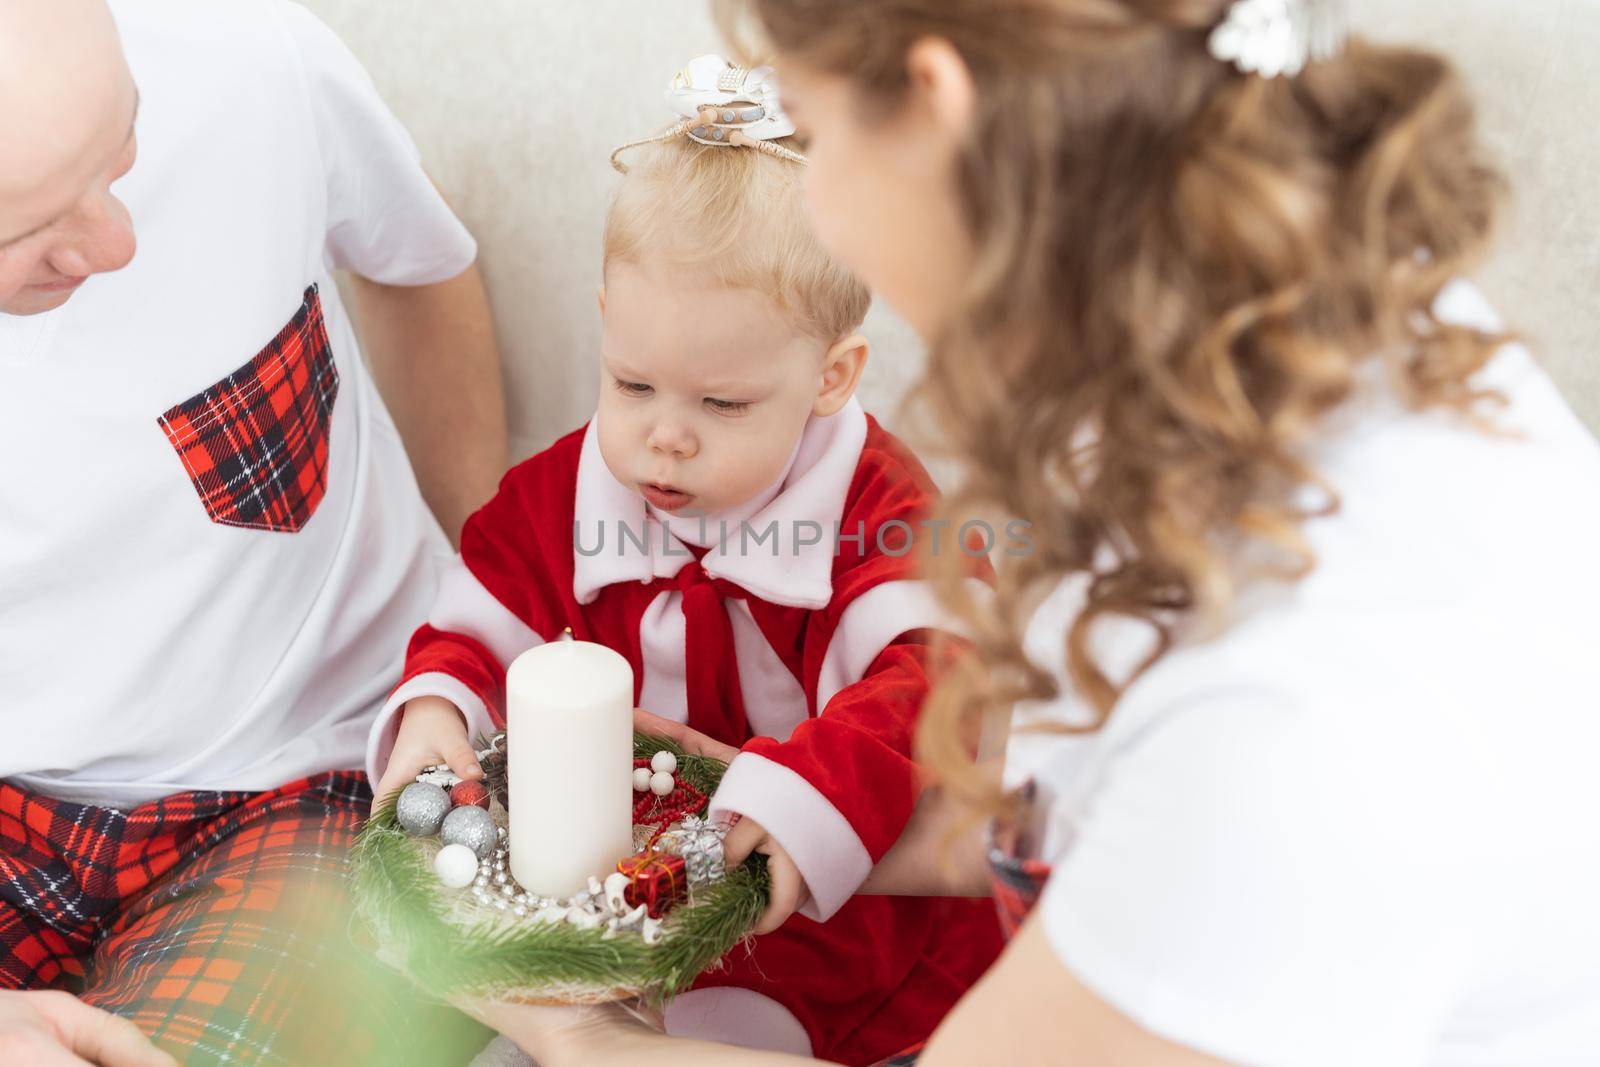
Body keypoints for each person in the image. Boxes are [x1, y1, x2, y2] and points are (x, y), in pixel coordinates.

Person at [473, 1, 1600, 1064]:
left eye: (807, 134)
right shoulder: (1260, 346)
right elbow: (1062, 815)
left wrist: (581, 1035)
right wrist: (779, 815)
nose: (806, 198)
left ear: (933, 105)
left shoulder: (1296, 702)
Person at [368, 55, 1003, 1066]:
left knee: (732, 1024)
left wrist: (798, 804)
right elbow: (477, 619)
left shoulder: (885, 513)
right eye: (632, 382)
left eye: (721, 404)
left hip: (815, 914)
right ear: (606, 326)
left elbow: (933, 683)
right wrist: (440, 711)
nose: (664, 438)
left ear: (830, 377)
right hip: (605, 891)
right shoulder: (566, 493)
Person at [1, 0, 505, 1061]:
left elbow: (418, 267)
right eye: (26, 234)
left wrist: (487, 616)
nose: (117, 240)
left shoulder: (244, 56)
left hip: (310, 773)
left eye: (123, 141)